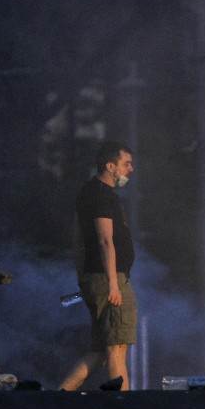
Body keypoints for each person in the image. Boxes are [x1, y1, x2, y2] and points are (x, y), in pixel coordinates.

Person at [60, 141, 138, 391]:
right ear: (110, 166)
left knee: (100, 350)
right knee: (117, 348)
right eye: (126, 164)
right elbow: (105, 240)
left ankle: (60, 395)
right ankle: (123, 406)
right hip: (108, 279)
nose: (131, 169)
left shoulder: (91, 192)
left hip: (99, 278)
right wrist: (113, 284)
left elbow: (82, 239)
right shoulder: (101, 195)